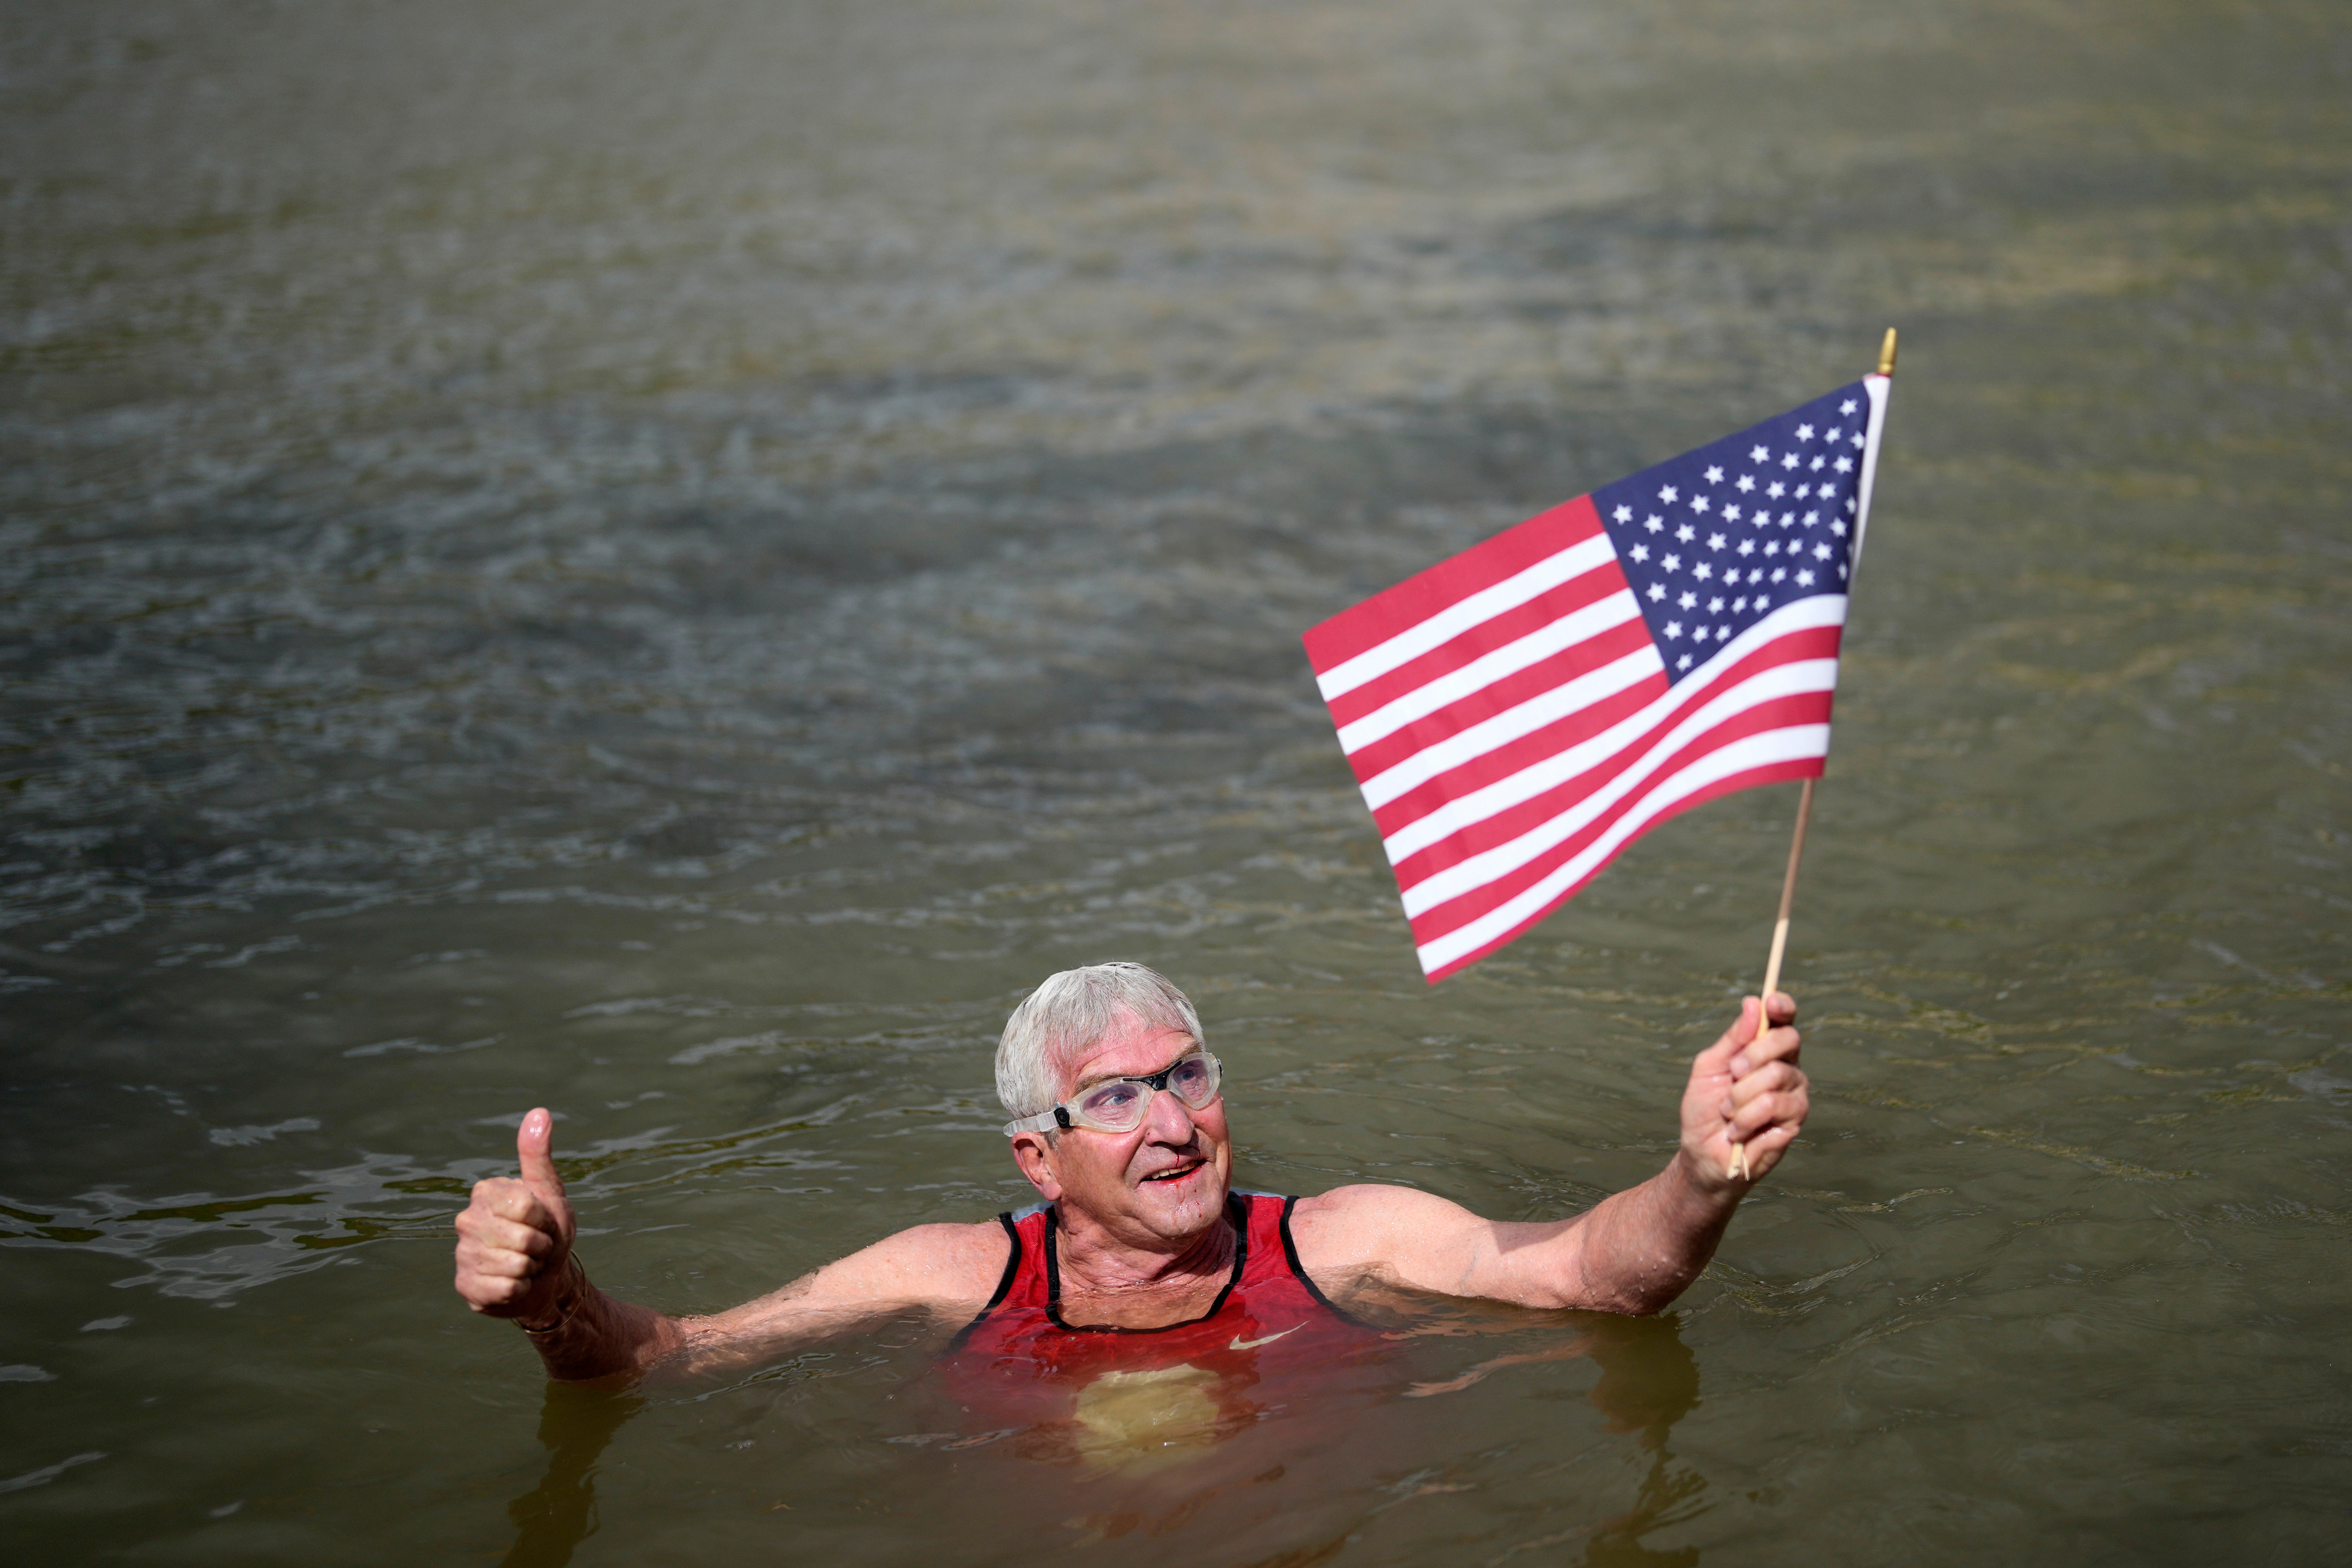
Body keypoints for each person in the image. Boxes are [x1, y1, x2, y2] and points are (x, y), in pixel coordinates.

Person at [452, 962, 1808, 1386]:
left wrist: (1700, 1177)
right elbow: (672, 1358)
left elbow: (1593, 1278)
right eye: (1116, 1097)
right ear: (1037, 1159)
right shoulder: (949, 1272)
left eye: (1190, 1076)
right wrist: (555, 1300)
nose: (1175, 1122)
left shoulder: (1340, 1239)